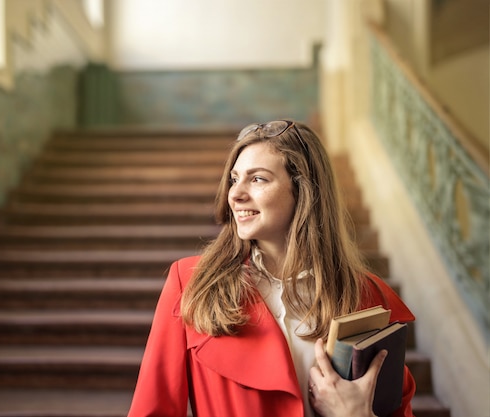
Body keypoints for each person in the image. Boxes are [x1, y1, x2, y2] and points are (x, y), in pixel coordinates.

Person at [127, 120, 416, 417]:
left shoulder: (366, 295)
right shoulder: (190, 283)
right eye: (234, 178)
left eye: (258, 179)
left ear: (304, 191)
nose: (235, 194)